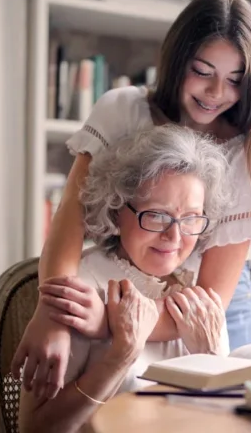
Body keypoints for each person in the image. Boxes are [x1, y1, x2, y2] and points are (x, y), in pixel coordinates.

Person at [12, 0, 251, 400]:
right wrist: (51, 313)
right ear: (177, 60)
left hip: (212, 307)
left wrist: (105, 323)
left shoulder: (244, 154)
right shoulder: (123, 110)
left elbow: (211, 299)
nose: (216, 92)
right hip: (123, 284)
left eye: (235, 80)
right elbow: (69, 224)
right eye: (202, 71)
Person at [18, 125, 230, 432]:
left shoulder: (200, 298)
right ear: (117, 210)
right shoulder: (81, 288)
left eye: (190, 218)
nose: (174, 236)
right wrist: (119, 358)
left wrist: (211, 358)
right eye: (157, 215)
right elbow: (35, 428)